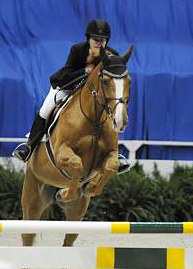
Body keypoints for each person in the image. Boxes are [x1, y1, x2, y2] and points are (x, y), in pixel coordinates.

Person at [13, 19, 130, 174]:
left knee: (111, 112)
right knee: (45, 109)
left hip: (93, 95)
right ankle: (29, 146)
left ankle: (115, 153)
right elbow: (66, 76)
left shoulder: (111, 55)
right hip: (67, 87)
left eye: (102, 40)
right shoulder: (78, 50)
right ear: (89, 38)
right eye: (95, 39)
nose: (98, 42)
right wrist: (85, 72)